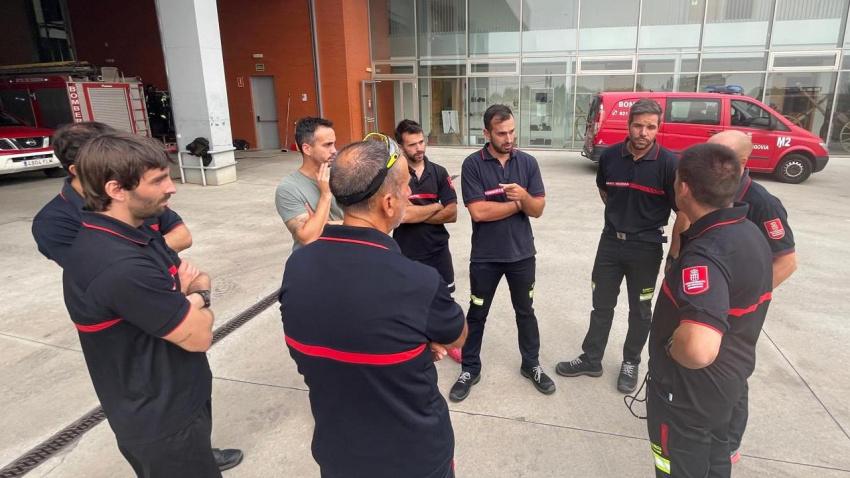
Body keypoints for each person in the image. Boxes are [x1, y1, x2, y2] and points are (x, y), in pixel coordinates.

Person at [280, 136, 467, 478]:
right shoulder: (417, 281)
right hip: (415, 459)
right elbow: (457, 336)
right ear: (389, 203)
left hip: (339, 455)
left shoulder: (297, 267)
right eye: (408, 188)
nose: (411, 195)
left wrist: (404, 344)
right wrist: (418, 342)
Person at [62, 132, 241, 477]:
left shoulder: (138, 234)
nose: (171, 187)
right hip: (161, 420)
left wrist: (182, 298)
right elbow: (199, 334)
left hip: (177, 397)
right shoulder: (118, 264)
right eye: (158, 180)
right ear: (116, 190)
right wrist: (198, 294)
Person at [646, 143, 773, 478]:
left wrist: (673, 347)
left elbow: (699, 349)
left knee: (674, 466)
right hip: (728, 385)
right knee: (717, 460)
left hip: (688, 396)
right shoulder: (750, 233)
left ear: (683, 187)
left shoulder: (705, 255)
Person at [556, 99, 687, 394]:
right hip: (610, 244)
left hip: (647, 248)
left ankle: (631, 361)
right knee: (601, 305)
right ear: (628, 125)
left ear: (658, 128)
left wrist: (674, 256)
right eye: (638, 125)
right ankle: (591, 359)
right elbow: (605, 191)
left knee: (640, 310)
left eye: (650, 127)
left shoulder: (669, 164)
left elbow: (683, 212)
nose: (643, 132)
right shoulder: (611, 156)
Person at [701, 130, 797, 462]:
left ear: (742, 163)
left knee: (733, 374)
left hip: (738, 310)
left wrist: (743, 299)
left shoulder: (761, 203)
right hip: (709, 303)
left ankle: (728, 444)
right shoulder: (708, 191)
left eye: (719, 157)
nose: (710, 162)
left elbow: (786, 260)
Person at [452, 104, 554, 402]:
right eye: (501, 133)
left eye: (511, 131)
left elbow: (538, 209)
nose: (508, 138)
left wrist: (524, 197)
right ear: (486, 133)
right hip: (485, 257)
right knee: (477, 313)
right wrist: (519, 202)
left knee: (526, 312)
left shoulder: (528, 163)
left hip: (522, 255)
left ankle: (531, 364)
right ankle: (470, 368)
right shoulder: (472, 164)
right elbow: (479, 212)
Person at [33, 122, 192, 268]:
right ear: (77, 170)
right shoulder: (53, 222)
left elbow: (183, 236)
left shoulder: (136, 195)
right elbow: (100, 267)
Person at [393, 119, 461, 363]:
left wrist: (415, 212)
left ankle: (448, 342)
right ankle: (419, 345)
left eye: (421, 141)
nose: (419, 148)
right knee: (411, 303)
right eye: (412, 144)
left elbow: (452, 214)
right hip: (407, 252)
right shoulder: (395, 176)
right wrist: (435, 206)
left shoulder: (440, 173)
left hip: (438, 250)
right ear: (401, 147)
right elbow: (401, 215)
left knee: (445, 300)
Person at [274, 117, 343, 251]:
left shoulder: (344, 175)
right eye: (327, 145)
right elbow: (309, 237)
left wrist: (320, 224)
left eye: (334, 144)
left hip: (348, 257)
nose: (334, 150)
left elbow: (370, 221)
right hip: (313, 263)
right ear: (307, 149)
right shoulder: (288, 188)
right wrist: (325, 195)